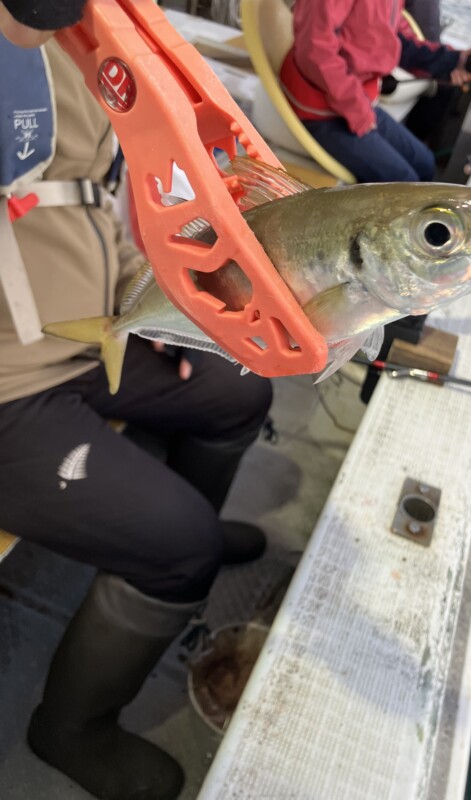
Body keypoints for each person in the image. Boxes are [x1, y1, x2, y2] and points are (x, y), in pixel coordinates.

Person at [0, 12, 272, 800]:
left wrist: (147, 306)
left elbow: (87, 201)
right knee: (181, 546)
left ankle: (177, 519)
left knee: (240, 388)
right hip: (12, 387)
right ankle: (68, 728)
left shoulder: (77, 54)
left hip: (87, 335)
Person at [279, 0, 471, 184]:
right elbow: (314, 52)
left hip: (358, 99)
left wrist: (453, 61)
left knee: (425, 162)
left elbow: (397, 41)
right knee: (404, 182)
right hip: (321, 108)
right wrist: (359, 112)